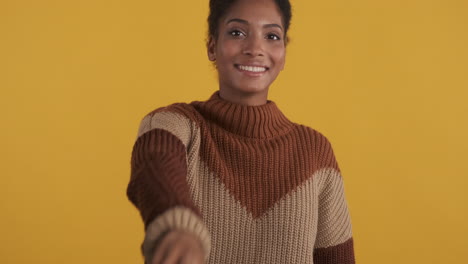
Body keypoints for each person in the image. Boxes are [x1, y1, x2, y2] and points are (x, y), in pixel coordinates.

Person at [126, 0, 356, 263]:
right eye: (237, 32)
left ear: (283, 54)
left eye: (271, 36)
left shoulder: (315, 151)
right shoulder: (176, 123)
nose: (255, 49)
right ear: (212, 47)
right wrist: (177, 227)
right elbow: (156, 163)